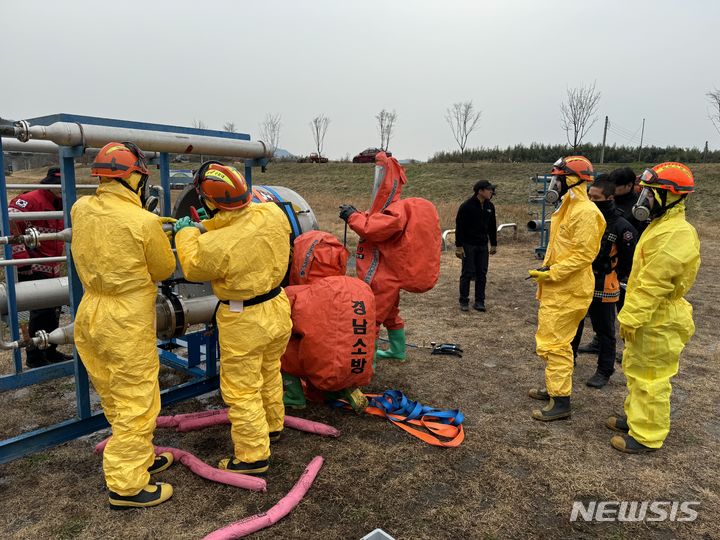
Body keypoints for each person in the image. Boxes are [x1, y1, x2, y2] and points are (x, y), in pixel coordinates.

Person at [72, 142, 177, 508]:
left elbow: (110, 233)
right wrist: (156, 230)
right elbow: (163, 269)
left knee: (115, 394)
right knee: (137, 400)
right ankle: (127, 486)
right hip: (126, 319)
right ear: (133, 177)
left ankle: (140, 457)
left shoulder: (81, 208)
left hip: (90, 312)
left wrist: (148, 225)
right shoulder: (143, 221)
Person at [174, 161, 292, 475]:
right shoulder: (272, 215)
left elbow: (194, 266)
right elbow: (240, 226)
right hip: (277, 307)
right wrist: (210, 226)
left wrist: (186, 233)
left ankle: (253, 456)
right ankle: (272, 426)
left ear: (209, 202)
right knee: (269, 371)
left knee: (242, 389)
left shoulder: (216, 245)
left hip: (245, 319)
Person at [607, 162, 700, 454]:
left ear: (670, 196)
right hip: (650, 315)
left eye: (650, 192)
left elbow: (652, 284)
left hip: (658, 317)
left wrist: (630, 318)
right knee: (637, 371)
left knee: (651, 379)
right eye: (644, 190)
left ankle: (646, 436)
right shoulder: (662, 225)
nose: (643, 197)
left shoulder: (675, 234)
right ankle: (637, 418)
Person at [339, 152, 440, 362]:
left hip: (382, 274)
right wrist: (357, 214)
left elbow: (373, 229)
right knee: (391, 314)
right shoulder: (391, 208)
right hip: (389, 271)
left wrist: (352, 216)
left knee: (371, 317)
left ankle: (367, 363)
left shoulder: (394, 211)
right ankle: (397, 350)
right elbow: (374, 221)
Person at [527, 156, 605, 421]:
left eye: (557, 178)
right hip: (559, 287)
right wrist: (548, 271)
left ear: (571, 180)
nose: (553, 183)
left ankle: (561, 402)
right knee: (550, 340)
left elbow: (584, 255)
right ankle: (553, 388)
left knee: (558, 344)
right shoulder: (568, 206)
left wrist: (553, 272)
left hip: (569, 289)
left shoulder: (586, 212)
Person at [571, 175, 637, 388]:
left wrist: (616, 275)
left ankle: (604, 370)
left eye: (596, 197)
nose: (590, 200)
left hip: (604, 284)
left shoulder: (621, 226)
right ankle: (568, 361)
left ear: (609, 197)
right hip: (581, 281)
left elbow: (628, 260)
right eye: (589, 195)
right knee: (574, 325)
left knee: (605, 331)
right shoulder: (584, 219)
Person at [8, 167, 72, 368]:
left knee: (53, 309)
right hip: (32, 266)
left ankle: (50, 350)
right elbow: (9, 220)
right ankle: (35, 356)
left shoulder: (63, 201)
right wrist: (21, 259)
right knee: (39, 311)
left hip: (52, 264)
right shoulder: (30, 200)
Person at [454, 180, 498, 312]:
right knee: (467, 272)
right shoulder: (466, 206)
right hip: (468, 245)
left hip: (482, 245)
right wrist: (459, 246)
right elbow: (459, 226)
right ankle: (464, 301)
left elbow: (492, 226)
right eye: (489, 189)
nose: (491, 192)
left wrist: (494, 244)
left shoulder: (490, 206)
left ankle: (479, 302)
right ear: (480, 191)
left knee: (482, 273)